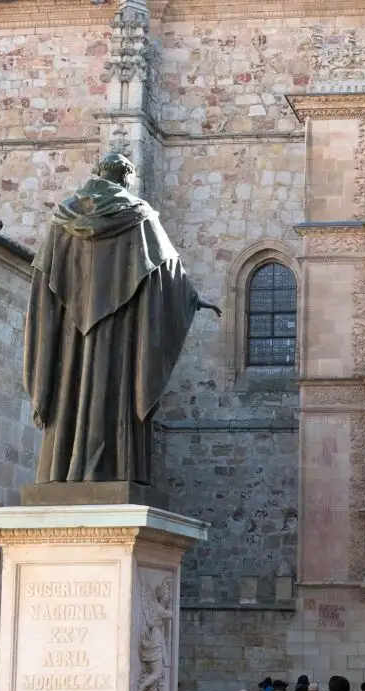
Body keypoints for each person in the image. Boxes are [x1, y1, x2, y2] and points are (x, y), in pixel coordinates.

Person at [24, 152, 220, 486]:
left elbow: (44, 283)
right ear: (126, 178)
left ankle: (62, 470)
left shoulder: (62, 220)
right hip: (121, 337)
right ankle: (112, 469)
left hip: (72, 339)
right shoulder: (140, 217)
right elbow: (167, 272)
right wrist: (191, 299)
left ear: (99, 173)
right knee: (113, 396)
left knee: (70, 386)